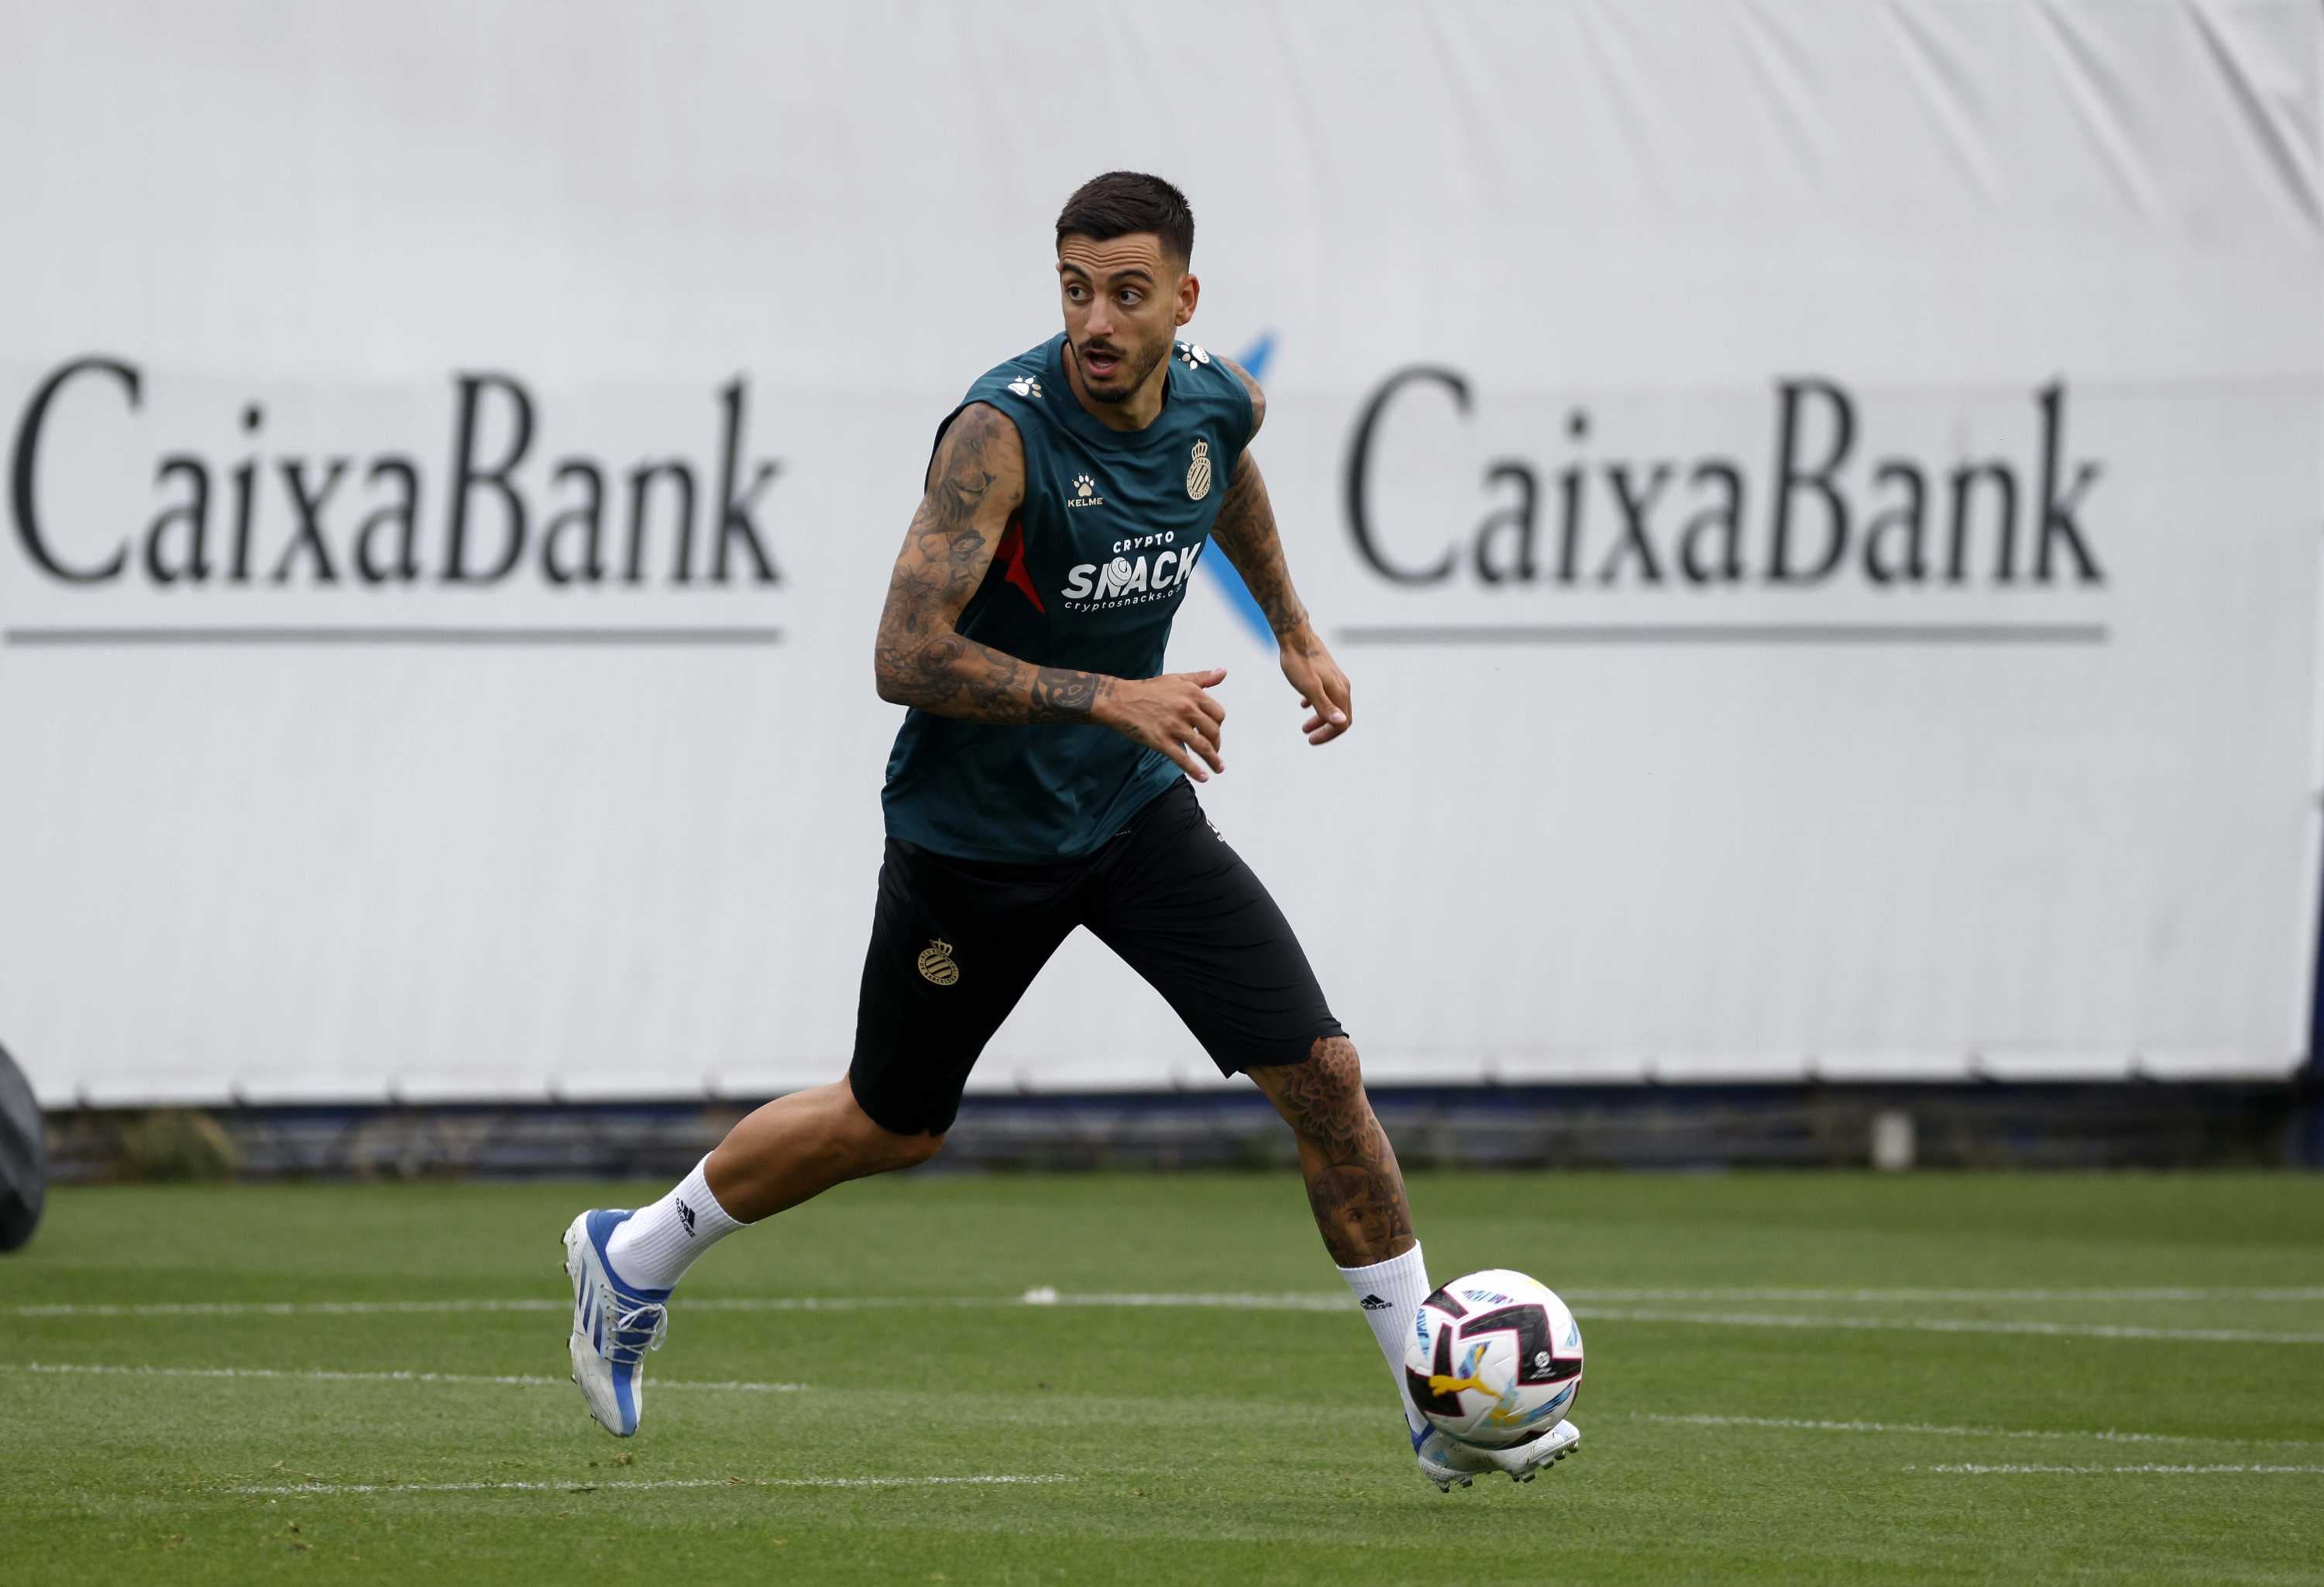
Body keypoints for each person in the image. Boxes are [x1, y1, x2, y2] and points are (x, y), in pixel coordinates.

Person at [560, 171, 1579, 1491]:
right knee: (891, 1122)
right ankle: (633, 1252)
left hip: (1132, 814)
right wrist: (1112, 694)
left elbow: (1228, 480)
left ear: (1183, 301)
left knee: (1324, 1073)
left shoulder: (1220, 394)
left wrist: (1294, 631)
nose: (1096, 319)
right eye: (1075, 289)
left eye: (1127, 293)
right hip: (972, 844)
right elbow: (900, 652)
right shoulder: (1000, 434)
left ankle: (1433, 1401)